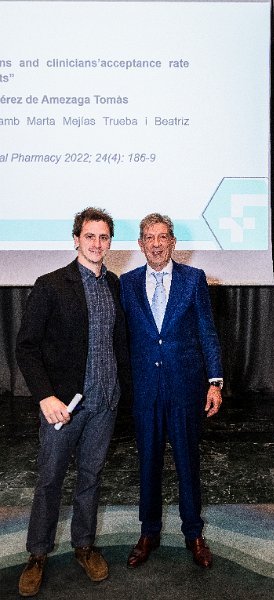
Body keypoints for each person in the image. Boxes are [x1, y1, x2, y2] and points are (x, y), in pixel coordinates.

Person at [15, 207, 131, 597]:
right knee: (50, 479)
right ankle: (37, 554)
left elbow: (117, 343)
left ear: (110, 242)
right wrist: (45, 396)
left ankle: (84, 545)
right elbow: (27, 347)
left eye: (104, 237)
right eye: (89, 236)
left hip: (105, 403)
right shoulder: (50, 285)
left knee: (91, 477)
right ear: (76, 239)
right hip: (64, 407)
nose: (97, 243)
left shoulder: (113, 284)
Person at [120, 213, 223, 570]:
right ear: (140, 244)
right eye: (149, 237)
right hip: (145, 390)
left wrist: (215, 381)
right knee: (147, 462)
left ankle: (193, 534)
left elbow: (207, 332)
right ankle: (148, 532)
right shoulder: (126, 283)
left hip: (185, 388)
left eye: (162, 236)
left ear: (173, 242)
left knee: (187, 462)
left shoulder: (193, 279)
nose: (156, 244)